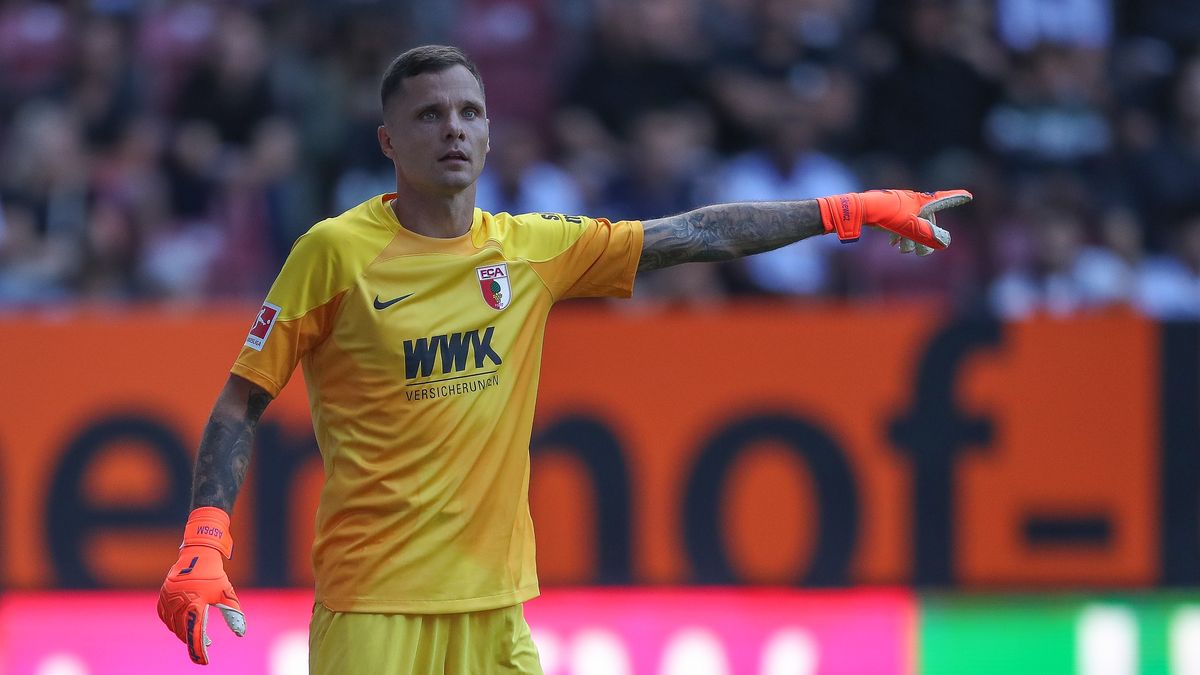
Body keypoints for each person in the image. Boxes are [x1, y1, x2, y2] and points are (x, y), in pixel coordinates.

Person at [156, 44, 971, 674]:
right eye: (431, 114)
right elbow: (241, 400)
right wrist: (204, 540)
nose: (455, 129)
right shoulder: (332, 253)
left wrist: (848, 208)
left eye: (471, 112)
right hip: (375, 606)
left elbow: (693, 233)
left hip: (498, 608)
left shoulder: (531, 250)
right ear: (387, 141)